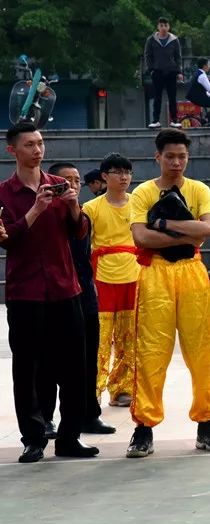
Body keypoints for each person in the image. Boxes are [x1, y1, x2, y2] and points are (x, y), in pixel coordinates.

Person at [0, 122, 100, 463]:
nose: (37, 150)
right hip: (25, 291)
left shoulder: (59, 185)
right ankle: (34, 437)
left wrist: (74, 206)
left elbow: (78, 232)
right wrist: (35, 210)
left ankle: (70, 437)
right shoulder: (4, 193)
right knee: (27, 368)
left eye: (40, 143)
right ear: (12, 150)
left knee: (74, 366)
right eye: (29, 144)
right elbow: (6, 239)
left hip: (64, 288)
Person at [125, 128, 210, 458]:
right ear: (158, 157)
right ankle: (144, 427)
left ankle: (207, 423)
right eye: (170, 156)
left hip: (192, 273)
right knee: (151, 351)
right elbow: (141, 238)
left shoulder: (199, 190)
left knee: (201, 348)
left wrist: (165, 225)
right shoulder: (142, 193)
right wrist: (187, 234)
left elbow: (208, 230)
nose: (176, 162)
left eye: (182, 156)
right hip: (155, 273)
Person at [38, 162, 116, 439]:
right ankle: (45, 417)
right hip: (52, 296)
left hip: (83, 294)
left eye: (77, 180)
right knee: (47, 361)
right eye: (66, 180)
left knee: (87, 359)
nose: (72, 185)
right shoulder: (44, 216)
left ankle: (88, 415)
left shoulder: (81, 216)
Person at [83, 153, 140, 408]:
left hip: (135, 273)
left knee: (130, 334)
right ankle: (94, 388)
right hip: (102, 276)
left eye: (127, 172)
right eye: (117, 172)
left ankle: (122, 388)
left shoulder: (139, 204)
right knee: (101, 336)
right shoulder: (91, 208)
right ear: (104, 176)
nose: (124, 177)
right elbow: (83, 245)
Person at [144, 16, 183, 129]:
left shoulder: (174, 40)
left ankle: (174, 120)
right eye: (161, 25)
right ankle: (156, 120)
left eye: (166, 25)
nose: (163, 28)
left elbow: (178, 57)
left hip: (171, 71)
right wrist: (151, 69)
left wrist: (179, 71)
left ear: (169, 27)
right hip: (157, 71)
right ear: (158, 27)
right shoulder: (151, 40)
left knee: (172, 96)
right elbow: (147, 55)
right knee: (157, 97)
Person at [186, 57, 210, 124]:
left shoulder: (198, 73)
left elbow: (205, 91)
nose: (209, 66)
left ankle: (208, 119)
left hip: (196, 97)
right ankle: (207, 119)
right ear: (205, 66)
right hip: (198, 98)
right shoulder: (202, 75)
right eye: (208, 65)